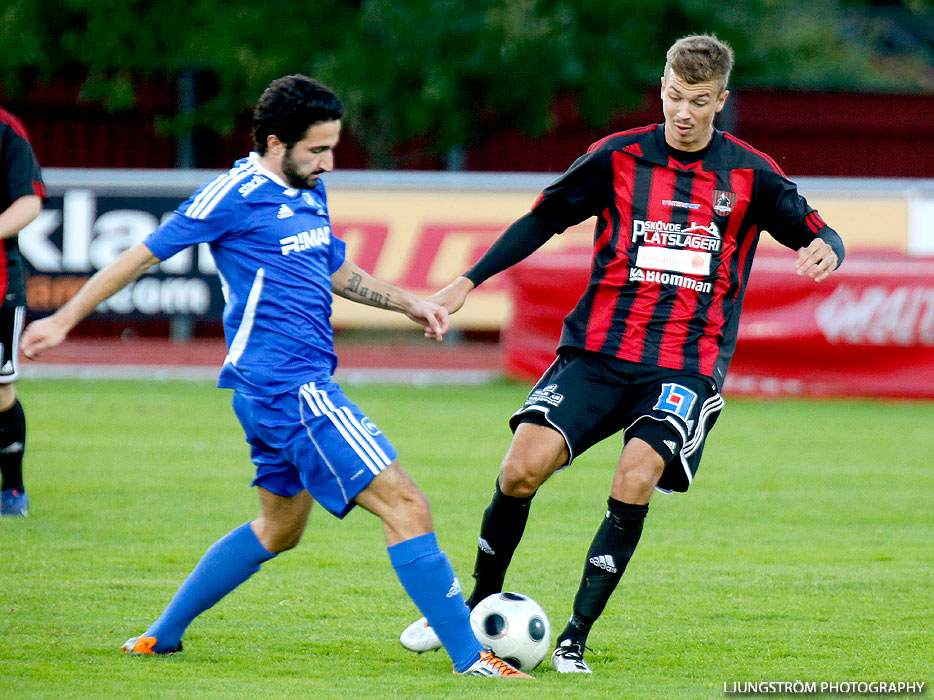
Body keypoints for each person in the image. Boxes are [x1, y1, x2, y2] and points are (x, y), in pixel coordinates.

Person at [19, 75, 530, 678]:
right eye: (318, 149)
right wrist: (64, 320)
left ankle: (161, 637)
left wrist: (410, 303)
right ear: (274, 141)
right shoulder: (234, 193)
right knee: (407, 506)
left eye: (333, 147)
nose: (329, 162)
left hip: (271, 393)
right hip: (293, 390)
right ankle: (473, 661)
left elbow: (333, 267)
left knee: (278, 528)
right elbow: (140, 256)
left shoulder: (309, 187)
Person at [400, 34, 845, 674]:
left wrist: (829, 243)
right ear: (661, 87)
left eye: (697, 101)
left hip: (685, 364)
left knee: (634, 476)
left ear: (720, 100)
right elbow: (542, 219)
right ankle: (473, 608)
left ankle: (574, 639)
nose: (682, 112)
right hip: (599, 352)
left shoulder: (751, 173)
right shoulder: (618, 158)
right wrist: (467, 282)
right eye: (672, 96)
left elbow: (813, 225)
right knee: (520, 469)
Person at [0, 107, 45, 517]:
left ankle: (12, 489)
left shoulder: (6, 130)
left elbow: (28, 204)